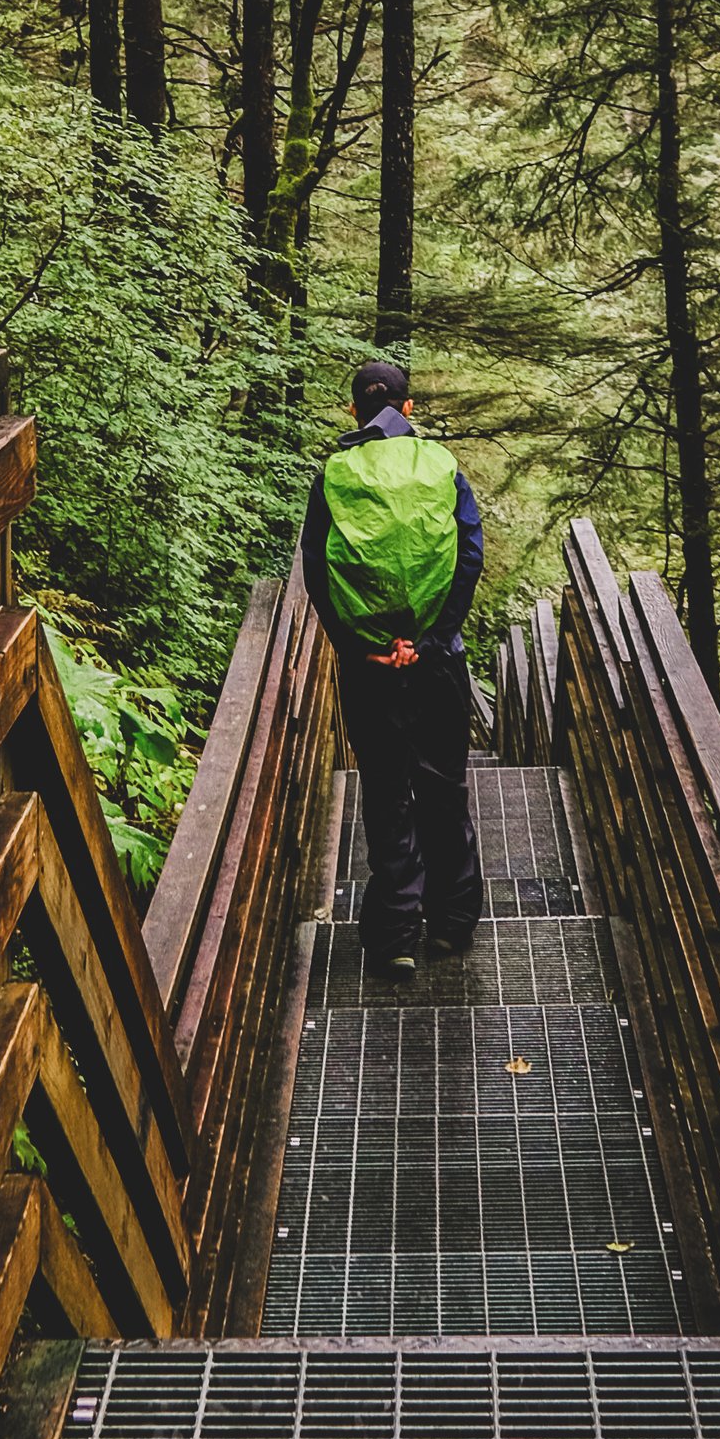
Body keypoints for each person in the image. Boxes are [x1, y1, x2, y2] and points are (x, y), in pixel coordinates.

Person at [300, 356, 484, 977]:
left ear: (354, 411)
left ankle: (393, 935)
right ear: (408, 411)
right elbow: (468, 558)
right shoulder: (442, 466)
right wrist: (431, 643)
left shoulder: (334, 473)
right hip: (438, 665)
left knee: (385, 792)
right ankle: (452, 925)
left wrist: (359, 646)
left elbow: (318, 573)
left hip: (370, 667)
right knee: (444, 788)